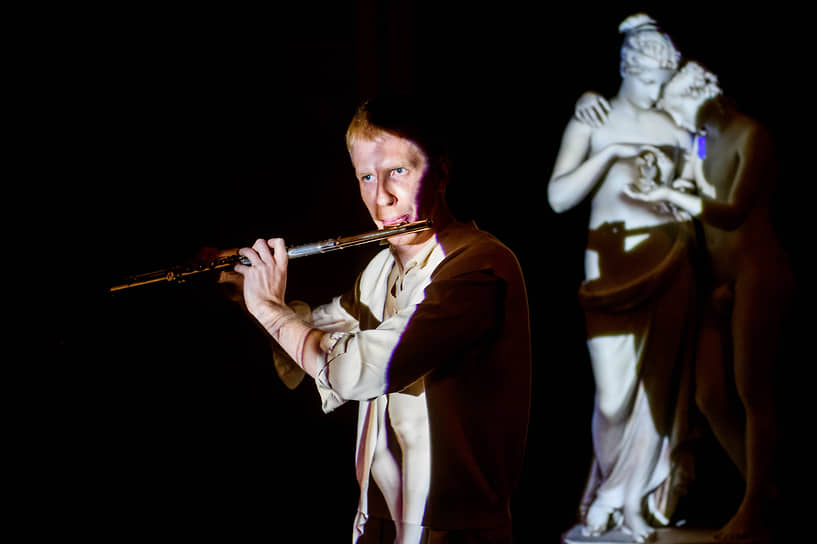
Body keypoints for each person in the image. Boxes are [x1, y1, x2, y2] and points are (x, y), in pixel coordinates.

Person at [226, 94, 532, 544]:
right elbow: (314, 340)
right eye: (366, 177)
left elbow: (357, 370)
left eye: (398, 172)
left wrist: (270, 309)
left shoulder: (478, 266)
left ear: (441, 172)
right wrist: (246, 293)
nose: (382, 197)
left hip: (451, 530)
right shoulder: (380, 267)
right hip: (375, 520)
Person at [626, 61, 794, 543]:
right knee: (710, 395)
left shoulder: (751, 135)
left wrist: (673, 194)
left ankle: (754, 505)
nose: (677, 118)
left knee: (751, 390)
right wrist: (669, 183)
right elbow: (697, 182)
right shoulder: (702, 140)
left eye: (679, 106)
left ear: (705, 93)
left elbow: (733, 210)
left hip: (755, 271)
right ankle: (765, 490)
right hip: (716, 278)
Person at [548, 13, 700, 542]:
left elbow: (700, 183)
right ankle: (610, 488)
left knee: (658, 391)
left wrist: (682, 174)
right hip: (611, 269)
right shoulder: (593, 119)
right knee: (613, 399)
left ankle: (630, 501)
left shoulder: (679, 124)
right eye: (650, 82)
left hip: (670, 262)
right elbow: (558, 197)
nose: (657, 93)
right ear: (628, 70)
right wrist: (609, 153)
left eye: (663, 83)